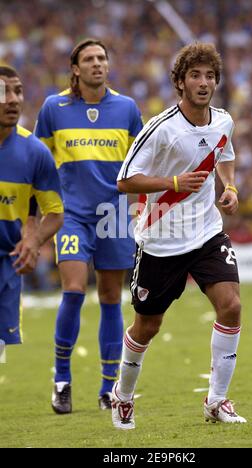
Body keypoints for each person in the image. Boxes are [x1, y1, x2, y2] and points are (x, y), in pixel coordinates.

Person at [112, 42, 247, 429]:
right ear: (180, 82)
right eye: (195, 75)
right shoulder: (160, 128)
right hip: (161, 240)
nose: (203, 83)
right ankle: (123, 396)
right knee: (147, 327)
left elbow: (225, 153)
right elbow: (124, 180)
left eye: (209, 76)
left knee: (231, 305)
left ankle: (216, 401)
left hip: (206, 234)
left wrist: (231, 188)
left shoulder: (223, 121)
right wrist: (172, 181)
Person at [35, 38, 143, 414]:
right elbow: (38, 160)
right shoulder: (53, 107)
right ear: (75, 68)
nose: (97, 64)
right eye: (89, 59)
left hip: (113, 216)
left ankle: (107, 387)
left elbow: (141, 163)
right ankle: (62, 381)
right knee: (75, 290)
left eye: (102, 58)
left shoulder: (127, 108)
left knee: (112, 298)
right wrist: (41, 212)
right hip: (72, 215)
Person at [0, 66, 64, 346]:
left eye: (18, 91)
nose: (13, 99)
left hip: (7, 264)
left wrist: (33, 240)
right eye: (3, 92)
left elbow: (54, 213)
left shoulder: (35, 152)